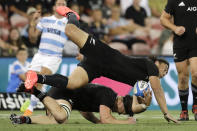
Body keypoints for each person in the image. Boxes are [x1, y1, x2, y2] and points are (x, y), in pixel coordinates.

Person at [24, 6, 178, 123]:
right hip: (103, 53)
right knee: (70, 30)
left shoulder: (142, 83)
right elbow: (158, 90)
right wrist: (165, 112)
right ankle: (72, 15)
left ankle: (37, 77)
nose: (163, 73)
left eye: (165, 73)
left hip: (97, 68)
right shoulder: (149, 65)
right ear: (156, 62)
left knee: (71, 84)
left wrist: (145, 104)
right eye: (164, 69)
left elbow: (138, 105)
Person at [10, 83, 152, 124]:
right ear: (120, 99)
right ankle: (35, 91)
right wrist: (127, 122)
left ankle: (23, 119)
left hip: (62, 93)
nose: (121, 113)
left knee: (54, 121)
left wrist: (96, 122)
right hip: (64, 93)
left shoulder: (106, 97)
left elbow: (85, 110)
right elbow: (106, 119)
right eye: (124, 109)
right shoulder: (110, 95)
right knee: (61, 117)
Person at [21, 0, 69, 116]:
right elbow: (33, 39)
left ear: (66, 8)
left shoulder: (69, 23)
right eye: (59, 4)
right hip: (40, 55)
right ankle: (42, 101)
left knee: (39, 78)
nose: (61, 6)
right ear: (54, 7)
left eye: (64, 4)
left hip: (54, 57)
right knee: (30, 80)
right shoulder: (45, 20)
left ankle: (30, 109)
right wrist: (33, 20)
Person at [160, 0, 197, 121]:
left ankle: (196, 105)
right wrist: (174, 28)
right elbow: (163, 19)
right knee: (182, 77)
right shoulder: (174, 1)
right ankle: (184, 111)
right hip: (180, 43)